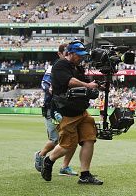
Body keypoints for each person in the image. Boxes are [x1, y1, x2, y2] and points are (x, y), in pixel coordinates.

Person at [40, 41, 103, 185]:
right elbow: (70, 81)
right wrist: (87, 85)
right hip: (68, 112)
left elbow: (85, 81)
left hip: (81, 111)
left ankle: (85, 175)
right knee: (68, 145)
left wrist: (97, 85)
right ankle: (48, 161)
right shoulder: (60, 65)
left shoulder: (77, 67)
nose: (81, 58)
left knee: (89, 139)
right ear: (71, 53)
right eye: (79, 55)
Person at [34, 43, 78, 177]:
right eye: (65, 52)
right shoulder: (53, 68)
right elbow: (44, 84)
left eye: (68, 52)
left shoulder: (73, 68)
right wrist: (51, 89)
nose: (67, 55)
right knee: (55, 139)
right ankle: (41, 155)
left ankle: (64, 166)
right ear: (59, 54)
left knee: (72, 138)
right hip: (51, 107)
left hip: (67, 108)